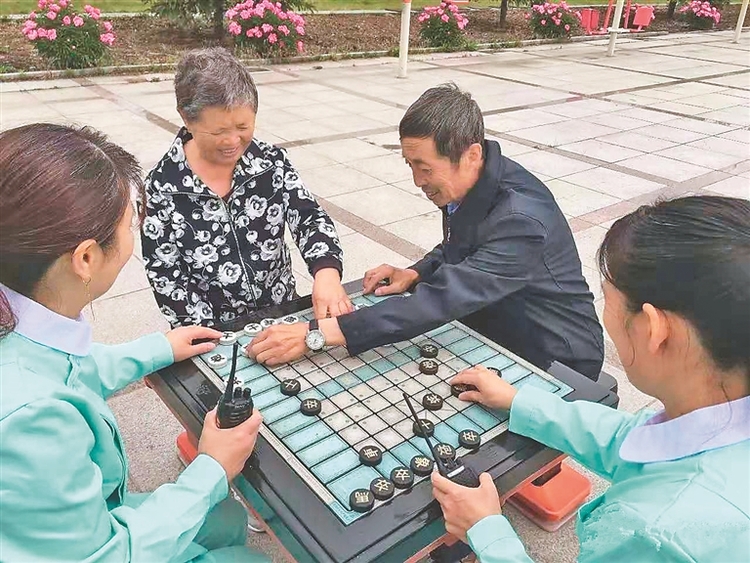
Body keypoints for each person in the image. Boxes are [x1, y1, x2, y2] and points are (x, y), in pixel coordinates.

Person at [0, 123, 269, 562]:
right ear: (86, 258)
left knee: (226, 518)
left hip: (69, 525)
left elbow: (68, 368)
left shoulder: (18, 312)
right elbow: (103, 555)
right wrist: (213, 467)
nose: (133, 238)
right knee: (248, 556)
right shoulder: (29, 420)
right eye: (129, 224)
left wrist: (156, 349)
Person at [431, 196, 750, 562]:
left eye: (608, 298)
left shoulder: (654, 531)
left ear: (653, 329)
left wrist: (486, 530)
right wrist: (522, 402)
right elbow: (634, 443)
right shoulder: (718, 421)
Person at [249, 83, 604, 380]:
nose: (418, 182)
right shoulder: (478, 180)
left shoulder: (522, 219)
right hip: (497, 322)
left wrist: (317, 334)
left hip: (555, 354)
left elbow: (443, 299)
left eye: (425, 168)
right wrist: (415, 272)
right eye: (410, 165)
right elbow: (464, 244)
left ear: (471, 154)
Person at [141, 47, 351, 327]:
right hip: (213, 330)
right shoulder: (161, 188)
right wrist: (210, 337)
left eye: (243, 127)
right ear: (185, 118)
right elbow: (166, 275)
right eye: (218, 132)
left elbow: (309, 219)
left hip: (281, 312)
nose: (232, 142)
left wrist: (326, 273)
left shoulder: (270, 163)